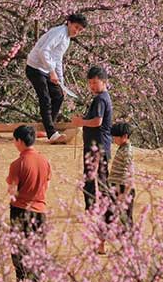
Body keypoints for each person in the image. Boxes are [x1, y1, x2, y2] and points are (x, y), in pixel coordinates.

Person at [25, 13, 87, 143]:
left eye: (80, 30)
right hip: (35, 67)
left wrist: (61, 83)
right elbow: (43, 51)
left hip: (46, 69)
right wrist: (52, 72)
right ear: (69, 23)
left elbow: (58, 60)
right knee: (45, 98)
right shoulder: (59, 32)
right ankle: (52, 133)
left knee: (58, 95)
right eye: (76, 27)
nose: (77, 31)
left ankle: (48, 128)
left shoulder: (67, 39)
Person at [72, 65, 113, 254]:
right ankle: (92, 209)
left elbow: (97, 122)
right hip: (96, 146)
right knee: (91, 180)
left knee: (97, 181)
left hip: (98, 148)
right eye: (90, 83)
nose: (92, 86)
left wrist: (81, 122)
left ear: (103, 82)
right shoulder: (100, 98)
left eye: (95, 82)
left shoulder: (100, 99)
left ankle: (98, 210)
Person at [7, 125, 52, 281]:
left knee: (19, 247)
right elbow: (47, 184)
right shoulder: (44, 160)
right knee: (38, 247)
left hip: (20, 210)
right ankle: (37, 281)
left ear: (19, 141)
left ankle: (22, 279)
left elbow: (12, 191)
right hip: (40, 210)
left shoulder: (17, 164)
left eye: (14, 139)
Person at [108, 122, 136, 231]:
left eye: (115, 137)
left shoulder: (127, 152)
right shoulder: (122, 148)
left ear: (124, 136)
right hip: (117, 186)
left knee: (126, 218)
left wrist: (124, 194)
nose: (114, 139)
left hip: (123, 188)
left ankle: (129, 243)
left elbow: (130, 174)